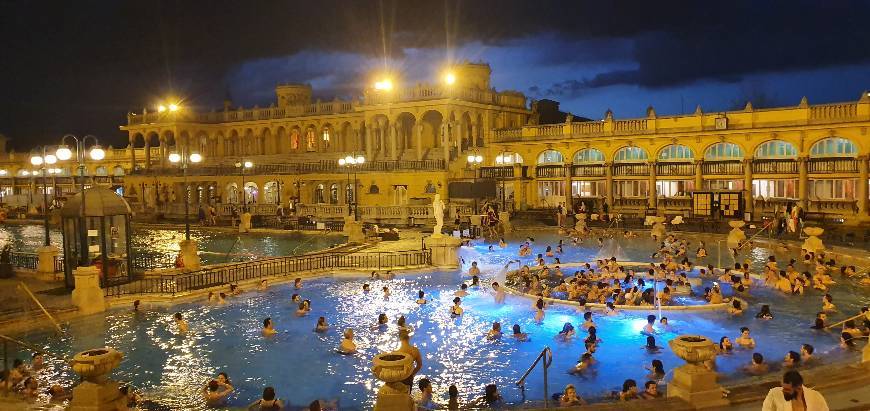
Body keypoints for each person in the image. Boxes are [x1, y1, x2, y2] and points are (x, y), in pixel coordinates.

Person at [762, 370, 828, 411]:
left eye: (787, 389)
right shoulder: (774, 394)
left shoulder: (816, 398)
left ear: (798, 388)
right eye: (783, 387)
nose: (783, 391)